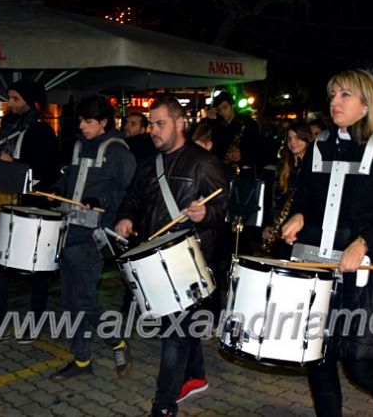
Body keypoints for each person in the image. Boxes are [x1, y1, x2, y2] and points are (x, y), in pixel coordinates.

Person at [281, 69, 373, 417]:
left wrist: (365, 242)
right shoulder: (320, 145)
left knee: (359, 364)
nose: (335, 102)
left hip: (364, 270)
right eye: (333, 94)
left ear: (366, 104)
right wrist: (299, 216)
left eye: (345, 95)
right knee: (317, 355)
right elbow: (307, 198)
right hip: (317, 266)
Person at [114, 97, 228, 417]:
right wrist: (125, 216)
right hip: (155, 257)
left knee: (174, 332)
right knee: (176, 325)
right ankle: (196, 376)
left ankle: (164, 404)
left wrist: (206, 213)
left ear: (180, 123)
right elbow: (133, 197)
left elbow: (224, 210)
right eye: (151, 124)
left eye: (160, 123)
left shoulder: (204, 163)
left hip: (187, 258)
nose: (153, 130)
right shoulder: (150, 163)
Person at [48, 95, 137, 382]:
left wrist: (99, 198)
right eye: (81, 121)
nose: (82, 126)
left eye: (88, 121)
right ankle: (82, 359)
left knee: (83, 298)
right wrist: (53, 188)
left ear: (103, 123)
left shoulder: (118, 151)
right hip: (69, 231)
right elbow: (70, 179)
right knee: (71, 298)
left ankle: (115, 341)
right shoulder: (78, 145)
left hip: (94, 235)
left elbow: (128, 193)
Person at [0, 80, 60, 345]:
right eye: (10, 98)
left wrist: (15, 165)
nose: (11, 104)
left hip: (35, 208)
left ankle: (34, 325)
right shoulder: (10, 128)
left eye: (16, 99)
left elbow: (49, 173)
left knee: (38, 270)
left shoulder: (42, 132)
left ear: (32, 102)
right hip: (10, 208)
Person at [261, 119, 312, 259]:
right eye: (289, 138)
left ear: (306, 138)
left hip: (301, 230)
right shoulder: (284, 166)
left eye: (297, 137)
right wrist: (269, 225)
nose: (293, 142)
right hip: (281, 228)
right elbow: (274, 201)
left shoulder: (313, 167)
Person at [210, 91, 260, 179]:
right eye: (219, 109)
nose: (222, 112)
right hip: (221, 172)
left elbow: (258, 148)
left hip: (243, 172)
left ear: (232, 106)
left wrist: (243, 155)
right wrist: (207, 119)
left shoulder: (248, 123)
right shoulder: (217, 125)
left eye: (225, 107)